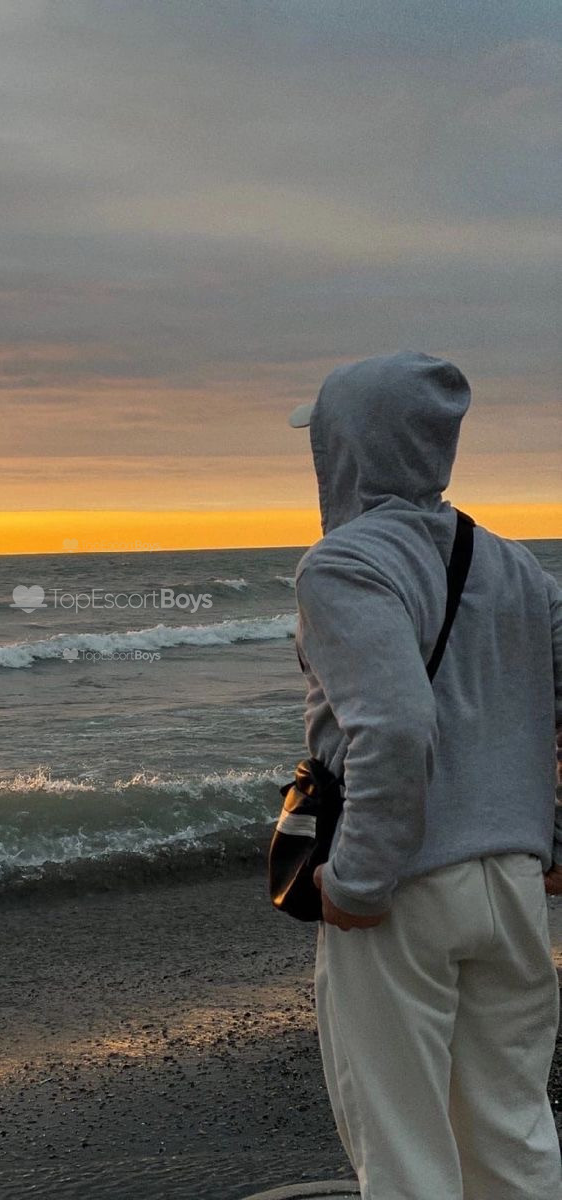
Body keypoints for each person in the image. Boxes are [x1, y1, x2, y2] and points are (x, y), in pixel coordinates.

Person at [286, 351, 562, 1200]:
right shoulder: (515, 566)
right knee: (511, 1131)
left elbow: (397, 728)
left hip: (405, 889)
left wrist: (359, 880)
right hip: (512, 880)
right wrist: (552, 838)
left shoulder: (343, 565)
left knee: (405, 1147)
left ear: (347, 445)